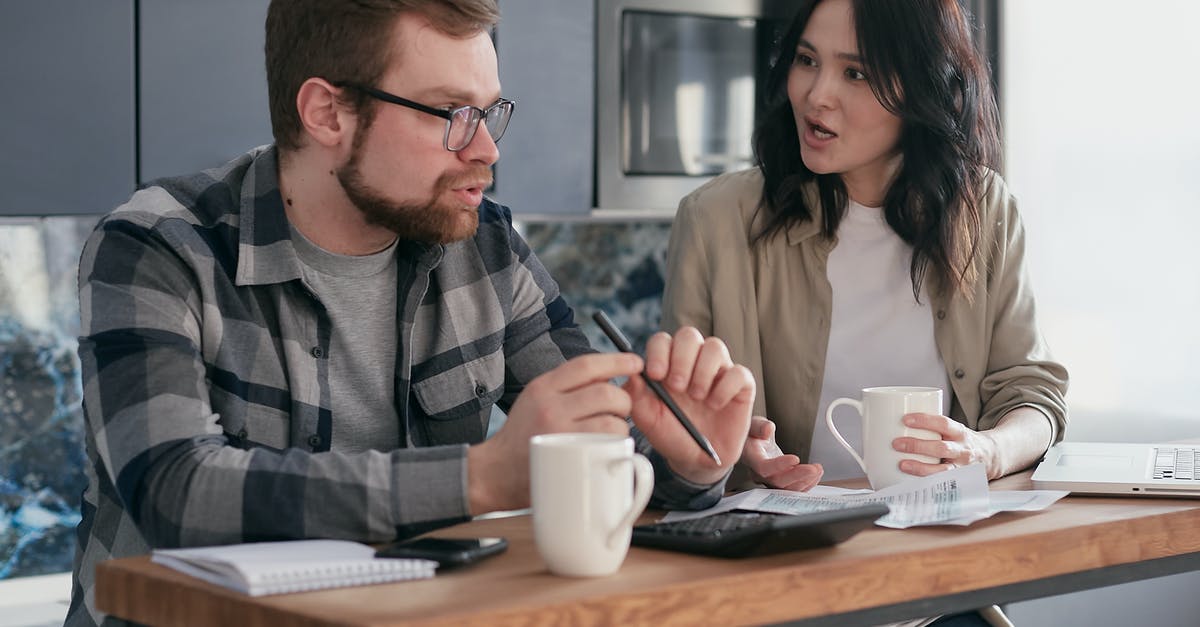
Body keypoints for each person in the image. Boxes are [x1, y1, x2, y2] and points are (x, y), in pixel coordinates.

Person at [67, 1, 755, 625]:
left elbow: (613, 468)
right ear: (327, 113)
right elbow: (175, 490)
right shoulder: (157, 245)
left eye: (490, 113)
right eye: (452, 113)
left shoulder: (487, 249)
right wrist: (482, 476)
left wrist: (685, 457)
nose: (486, 149)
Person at [662, 0, 1068, 495]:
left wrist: (989, 451)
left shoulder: (984, 209)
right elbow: (672, 436)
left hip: (945, 531)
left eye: (856, 73)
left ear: (923, 88)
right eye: (807, 60)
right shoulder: (714, 220)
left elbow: (1032, 392)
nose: (817, 95)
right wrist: (717, 454)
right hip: (791, 551)